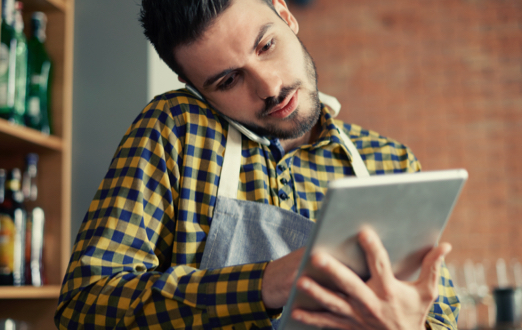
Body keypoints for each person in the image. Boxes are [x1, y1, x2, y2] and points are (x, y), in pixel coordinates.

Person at [55, 0, 459, 329]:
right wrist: (264, 283)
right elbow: (85, 308)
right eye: (228, 80)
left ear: (286, 15)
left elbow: (443, 315)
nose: (269, 87)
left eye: (266, 46)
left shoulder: (389, 162)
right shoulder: (175, 129)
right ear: (194, 87)